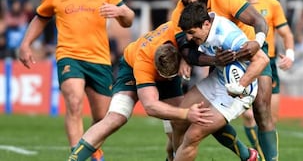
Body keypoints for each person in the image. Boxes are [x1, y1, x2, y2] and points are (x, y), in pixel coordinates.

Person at [18, 0, 135, 161]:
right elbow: (41, 17)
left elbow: (129, 19)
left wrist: (120, 12)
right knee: (73, 102)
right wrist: (25, 44)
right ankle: (76, 156)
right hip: (69, 55)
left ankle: (91, 148)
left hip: (99, 59)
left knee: (103, 117)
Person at [170, 0, 277, 161]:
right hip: (220, 60)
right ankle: (247, 156)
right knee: (196, 118)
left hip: (249, 50)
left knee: (261, 109)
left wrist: (257, 42)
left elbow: (258, 20)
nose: (191, 0)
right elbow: (189, 52)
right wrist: (213, 60)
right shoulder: (180, 13)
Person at [66, 21, 213, 161]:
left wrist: (185, 59)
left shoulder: (179, 29)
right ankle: (73, 159)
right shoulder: (144, 62)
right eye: (164, 76)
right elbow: (150, 106)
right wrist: (186, 113)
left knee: (178, 127)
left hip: (169, 63)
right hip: (131, 66)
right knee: (116, 117)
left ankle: (172, 156)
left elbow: (194, 36)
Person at [232, 0, 295, 159]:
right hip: (241, 63)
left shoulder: (271, 4)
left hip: (268, 63)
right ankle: (256, 155)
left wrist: (290, 54)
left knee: (268, 117)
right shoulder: (231, 3)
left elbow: (286, 33)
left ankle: (265, 155)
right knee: (249, 114)